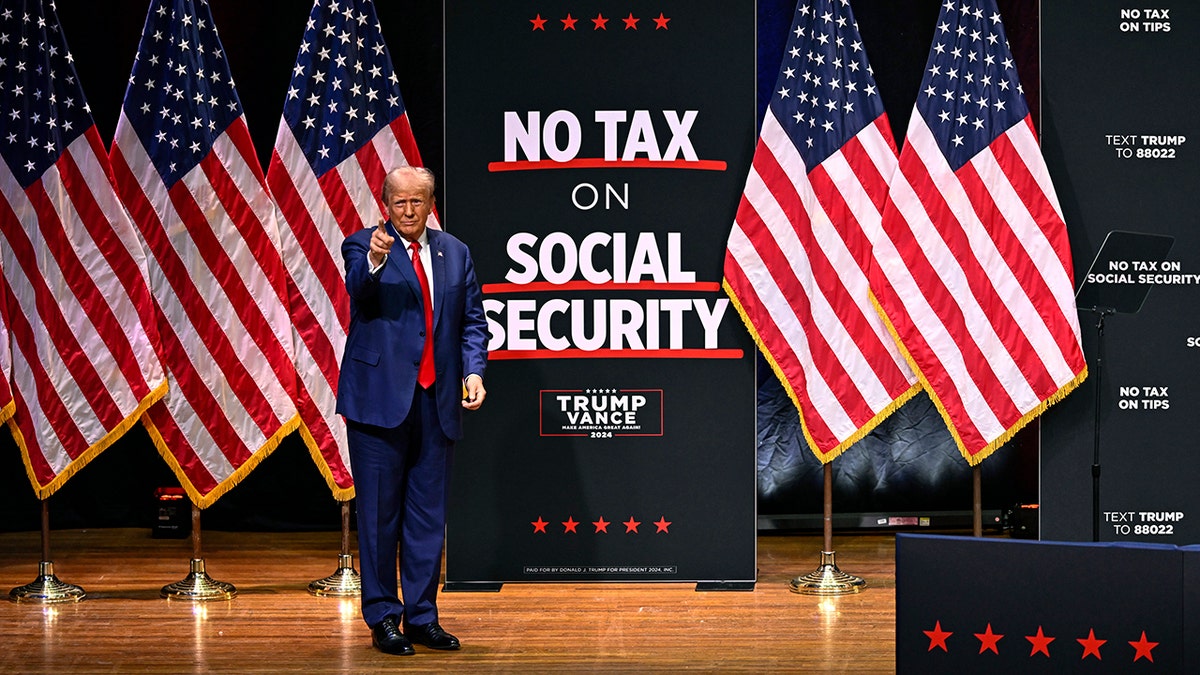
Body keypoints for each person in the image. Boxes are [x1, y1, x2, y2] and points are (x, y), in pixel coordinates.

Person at [336, 166, 488, 656]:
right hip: (379, 401)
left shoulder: (455, 252)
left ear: (430, 204)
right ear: (386, 203)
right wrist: (377, 262)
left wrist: (473, 372)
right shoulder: (362, 245)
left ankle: (422, 616)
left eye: (416, 202)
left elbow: (471, 322)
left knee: (427, 517)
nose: (407, 211)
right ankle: (384, 617)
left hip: (436, 401)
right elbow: (359, 292)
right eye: (398, 202)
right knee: (379, 516)